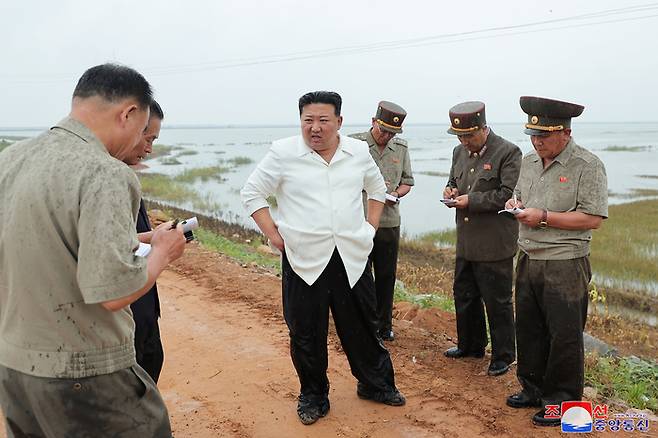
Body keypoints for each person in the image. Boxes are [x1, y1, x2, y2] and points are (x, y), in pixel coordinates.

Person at [0, 64, 186, 437]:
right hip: (85, 374)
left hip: (16, 367)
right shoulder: (106, 172)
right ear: (129, 113)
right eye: (142, 128)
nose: (140, 141)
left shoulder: (12, 159)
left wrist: (140, 240)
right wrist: (163, 251)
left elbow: (54, 243)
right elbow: (115, 291)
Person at [241, 91, 405, 426]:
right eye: (308, 120)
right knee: (305, 332)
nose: (315, 128)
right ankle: (313, 395)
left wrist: (370, 228)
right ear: (300, 121)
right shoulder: (283, 153)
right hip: (303, 258)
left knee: (362, 325)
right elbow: (252, 193)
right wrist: (274, 235)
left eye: (323, 121)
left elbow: (377, 190)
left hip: (351, 255)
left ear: (339, 122)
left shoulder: (357, 152)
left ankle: (376, 384)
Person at [505, 96, 608, 427]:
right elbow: (523, 198)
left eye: (544, 137)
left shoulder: (587, 166)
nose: (537, 143)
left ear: (565, 132)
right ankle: (532, 389)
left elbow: (593, 218)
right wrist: (515, 204)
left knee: (564, 335)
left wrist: (545, 217)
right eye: (533, 136)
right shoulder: (528, 161)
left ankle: (561, 403)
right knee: (529, 328)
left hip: (565, 263)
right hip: (528, 256)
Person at [442, 101, 521, 377]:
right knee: (464, 294)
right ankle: (471, 345)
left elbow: (507, 195)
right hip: (466, 239)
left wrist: (470, 200)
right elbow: (454, 180)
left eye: (469, 135)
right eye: (460, 136)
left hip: (494, 242)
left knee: (497, 301)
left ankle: (503, 355)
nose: (465, 142)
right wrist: (451, 190)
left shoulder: (508, 152)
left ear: (484, 129)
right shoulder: (458, 151)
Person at [349, 101, 414, 341]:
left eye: (392, 133)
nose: (387, 136)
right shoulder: (354, 144)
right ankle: (360, 322)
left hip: (388, 223)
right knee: (358, 274)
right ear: (373, 122)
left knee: (386, 276)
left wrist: (396, 194)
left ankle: (384, 325)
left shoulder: (401, 148)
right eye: (383, 130)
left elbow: (407, 181)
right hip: (358, 221)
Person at [123, 100, 166, 383]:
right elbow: (111, 242)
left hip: (144, 299)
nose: (149, 148)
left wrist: (154, 236)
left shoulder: (125, 174)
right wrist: (161, 247)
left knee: (151, 357)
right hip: (127, 304)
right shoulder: (105, 178)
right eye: (147, 137)